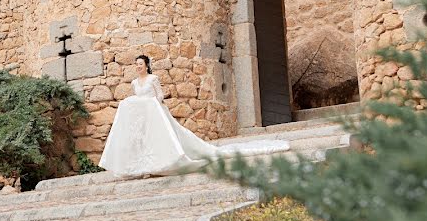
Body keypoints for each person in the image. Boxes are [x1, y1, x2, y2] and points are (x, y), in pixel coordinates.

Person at [99, 55, 288, 179]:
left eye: (140, 64)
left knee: (165, 137)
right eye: (136, 65)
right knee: (142, 139)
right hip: (142, 116)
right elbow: (137, 97)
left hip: (155, 112)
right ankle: (142, 166)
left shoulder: (153, 79)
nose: (138, 67)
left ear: (147, 65)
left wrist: (152, 102)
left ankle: (163, 162)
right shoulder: (134, 82)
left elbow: (160, 96)